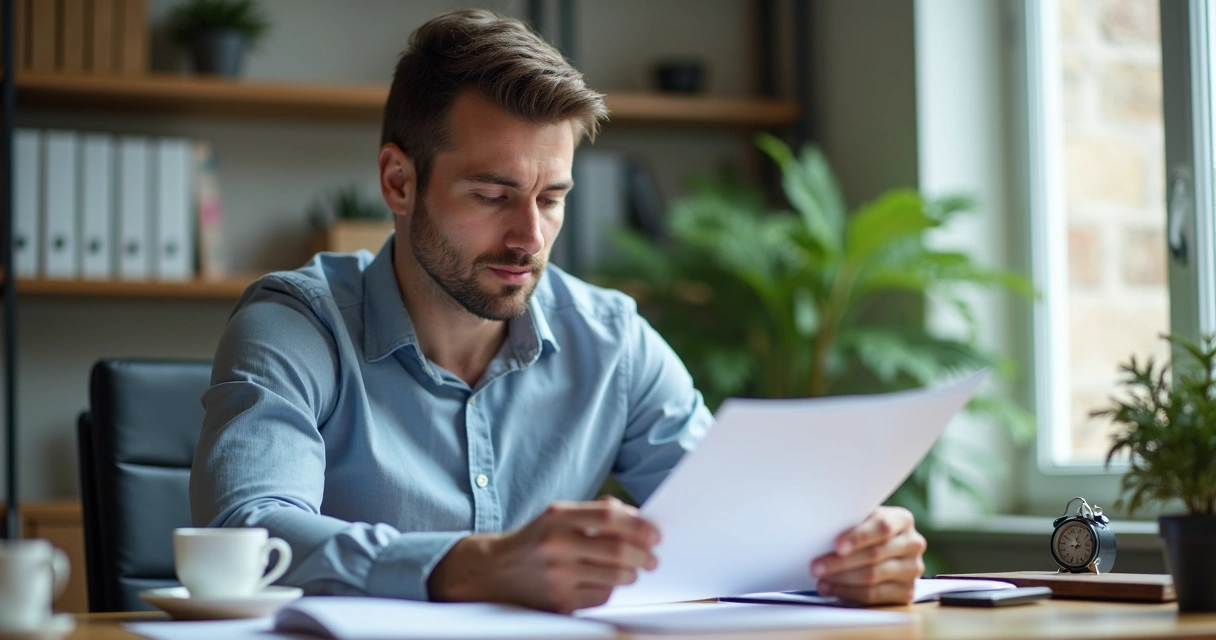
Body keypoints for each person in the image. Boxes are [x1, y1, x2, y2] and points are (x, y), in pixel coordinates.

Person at [190, 8, 927, 614]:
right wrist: (478, 565)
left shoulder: (612, 341)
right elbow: (251, 534)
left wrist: (847, 553)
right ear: (398, 181)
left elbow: (732, 523)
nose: (530, 237)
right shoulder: (295, 326)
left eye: (552, 198)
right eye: (492, 195)